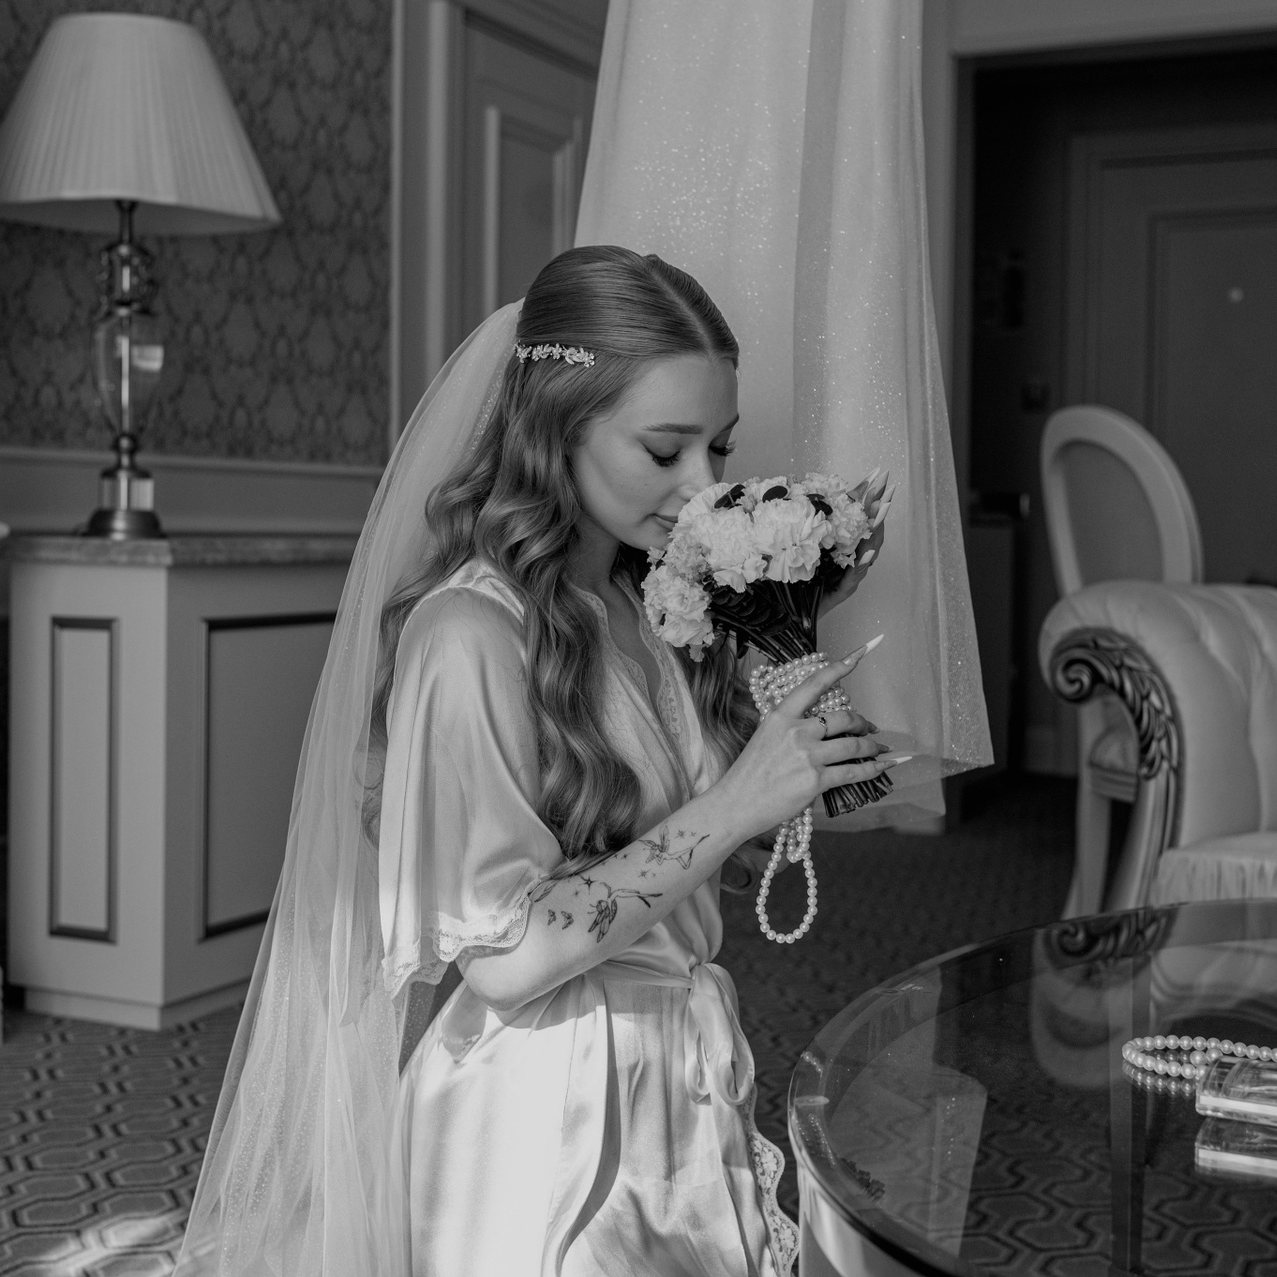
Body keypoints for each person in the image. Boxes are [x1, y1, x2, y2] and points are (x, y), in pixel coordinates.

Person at [173, 245, 899, 1277]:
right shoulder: (468, 635)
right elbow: (504, 959)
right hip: (542, 1128)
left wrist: (792, 655)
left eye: (719, 447)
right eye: (665, 449)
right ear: (557, 427)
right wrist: (741, 801)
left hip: (675, 1079)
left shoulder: (650, 606)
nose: (705, 486)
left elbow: (691, 838)